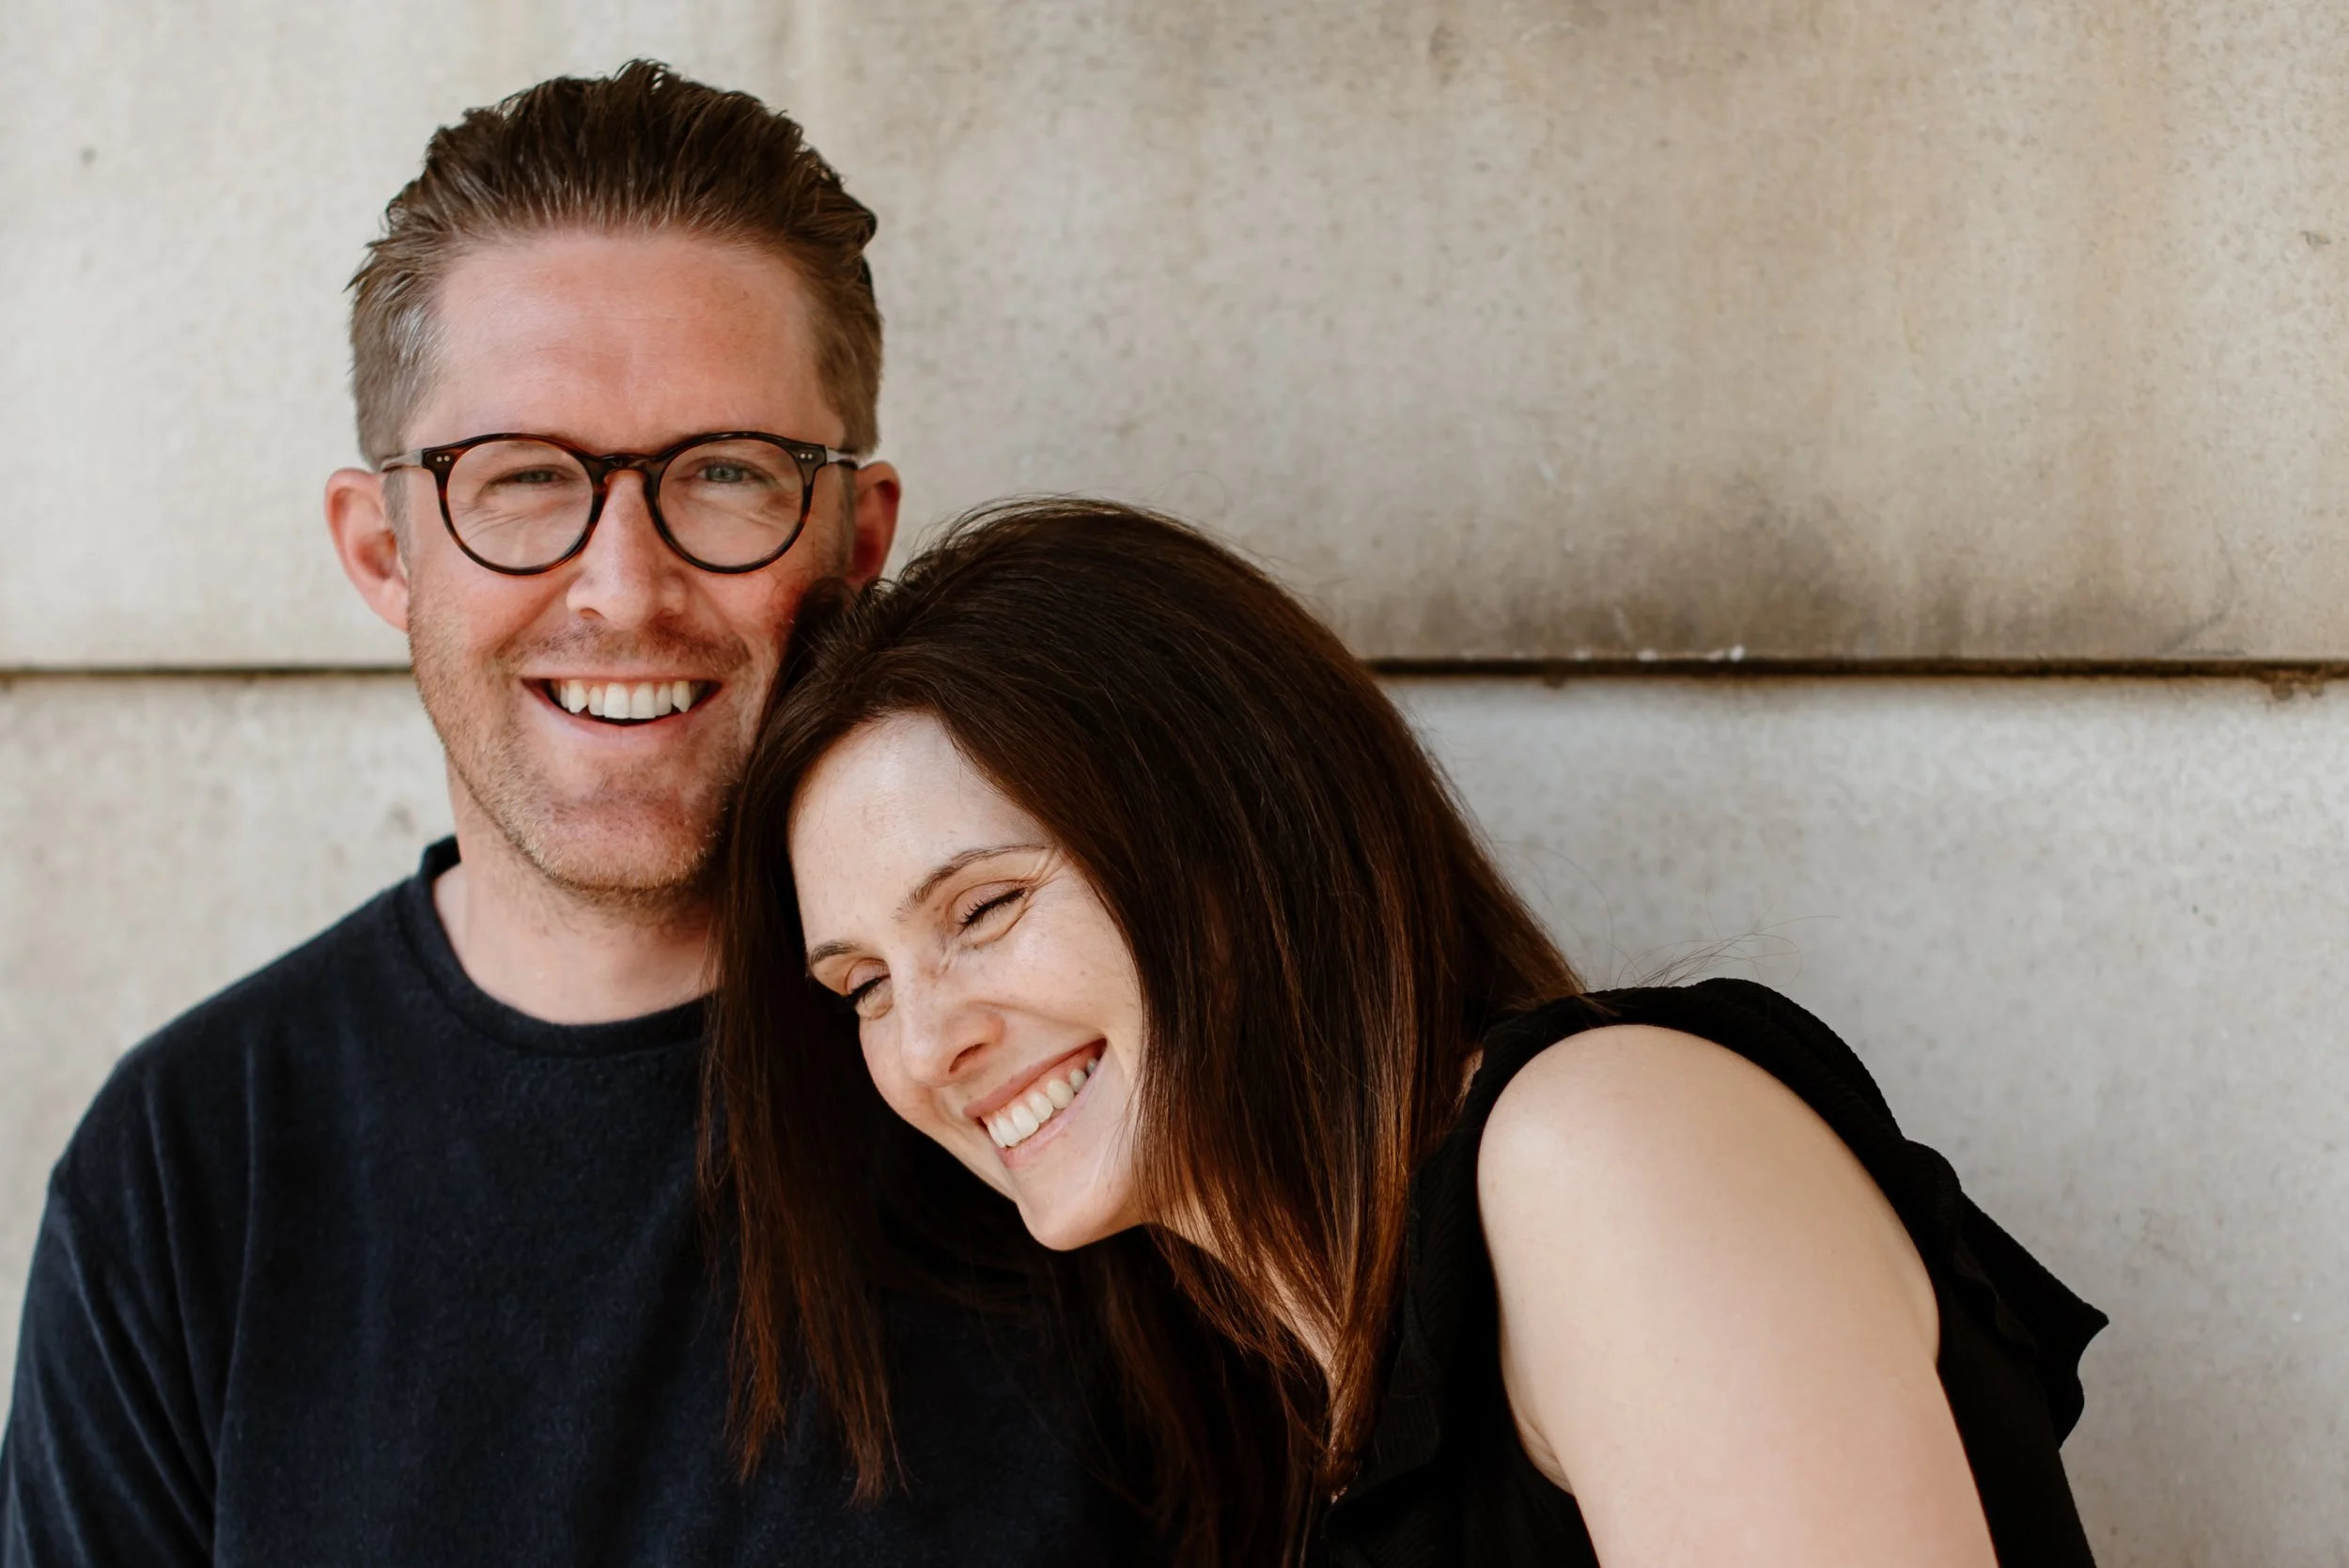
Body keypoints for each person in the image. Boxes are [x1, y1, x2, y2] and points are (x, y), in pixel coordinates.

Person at [1, 66, 1147, 1564]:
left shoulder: (1060, 1083)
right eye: (524, 479)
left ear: (858, 539)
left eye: (726, 475)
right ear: (384, 551)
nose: (623, 590)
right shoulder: (192, 1163)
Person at [708, 500, 2111, 1568]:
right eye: (864, 986)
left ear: (1238, 842)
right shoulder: (1278, 1399)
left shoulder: (1600, 1149)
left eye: (986, 907)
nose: (926, 1045)